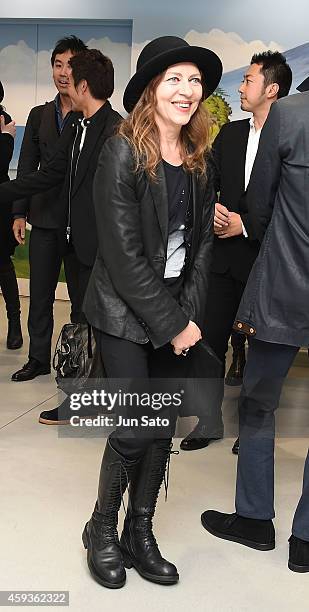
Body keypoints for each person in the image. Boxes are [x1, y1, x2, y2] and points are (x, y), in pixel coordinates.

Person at [81, 36, 222, 589]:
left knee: (160, 427)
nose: (187, 91)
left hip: (173, 311)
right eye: (174, 80)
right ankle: (101, 529)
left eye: (194, 81)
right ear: (150, 91)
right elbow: (120, 255)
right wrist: (174, 324)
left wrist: (188, 316)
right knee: (137, 428)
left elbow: (204, 245)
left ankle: (141, 531)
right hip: (122, 310)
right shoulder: (122, 149)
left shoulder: (198, 158)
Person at [201, 77, 309, 573]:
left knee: (258, 405)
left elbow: (261, 206)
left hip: (285, 288)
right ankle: (305, 540)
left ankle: (254, 521)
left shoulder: (288, 115)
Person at [0, 49, 122, 424]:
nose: (65, 77)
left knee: (93, 319)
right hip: (65, 231)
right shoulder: (75, 125)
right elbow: (50, 173)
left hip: (98, 243)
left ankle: (94, 397)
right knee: (83, 320)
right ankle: (81, 395)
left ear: (84, 85)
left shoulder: (115, 129)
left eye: (73, 73)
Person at [180, 51, 292, 453]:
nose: (241, 87)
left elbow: (292, 206)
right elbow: (206, 184)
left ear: (272, 90)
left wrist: (244, 224)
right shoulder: (230, 134)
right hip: (222, 262)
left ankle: (253, 431)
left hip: (267, 263)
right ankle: (208, 421)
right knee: (208, 340)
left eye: (248, 80)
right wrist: (211, 212)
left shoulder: (290, 141)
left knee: (263, 351)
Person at [11, 35, 87, 383]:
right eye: (57, 65)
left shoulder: (93, 115)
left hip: (80, 224)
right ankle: (37, 357)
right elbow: (26, 167)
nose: (62, 72)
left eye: (70, 65)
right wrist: (18, 212)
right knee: (39, 295)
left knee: (80, 300)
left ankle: (78, 362)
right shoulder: (40, 114)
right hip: (42, 219)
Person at [0, 82, 23, 350]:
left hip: (1, 202)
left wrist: (6, 137)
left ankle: (14, 323)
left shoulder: (3, 119)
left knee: (3, 265)